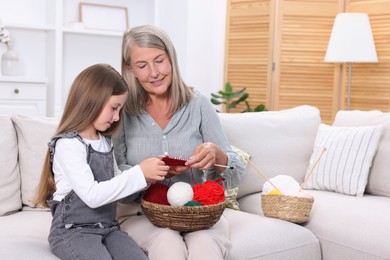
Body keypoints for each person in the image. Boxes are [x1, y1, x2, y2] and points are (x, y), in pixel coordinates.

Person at [113, 25, 246, 260]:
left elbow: (236, 173)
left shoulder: (199, 105)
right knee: (167, 244)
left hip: (198, 213)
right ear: (130, 69)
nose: (154, 72)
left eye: (159, 60)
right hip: (140, 215)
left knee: (205, 248)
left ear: (171, 58)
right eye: (142, 66)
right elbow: (113, 176)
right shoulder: (122, 112)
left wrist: (218, 155)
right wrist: (144, 174)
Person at [33, 63, 169, 260]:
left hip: (108, 228)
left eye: (119, 110)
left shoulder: (105, 143)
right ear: (92, 100)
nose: (116, 117)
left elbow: (117, 182)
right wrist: (139, 173)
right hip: (73, 231)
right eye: (114, 108)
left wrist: (148, 178)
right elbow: (92, 195)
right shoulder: (68, 145)